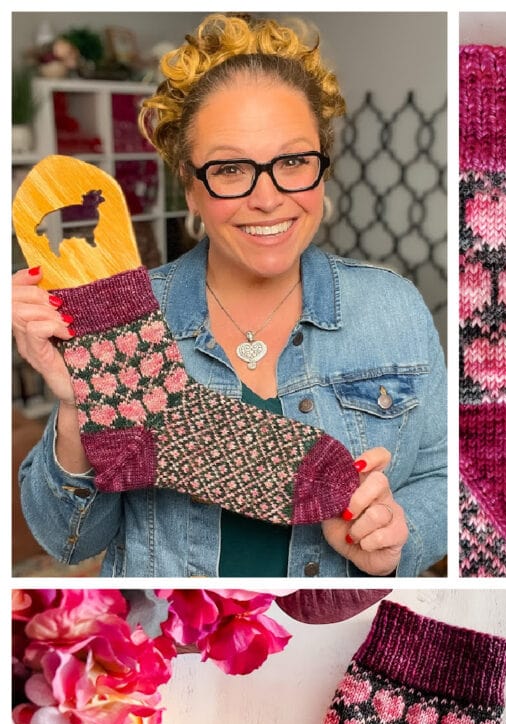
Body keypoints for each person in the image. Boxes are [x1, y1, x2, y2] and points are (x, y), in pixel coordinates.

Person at [12, 13, 447, 578]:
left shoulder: (393, 310)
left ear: (322, 170)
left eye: (293, 161)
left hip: (336, 631)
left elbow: (442, 478)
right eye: (230, 168)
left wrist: (397, 533)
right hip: (170, 643)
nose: (267, 198)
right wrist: (78, 406)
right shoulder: (127, 317)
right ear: (190, 186)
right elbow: (67, 544)